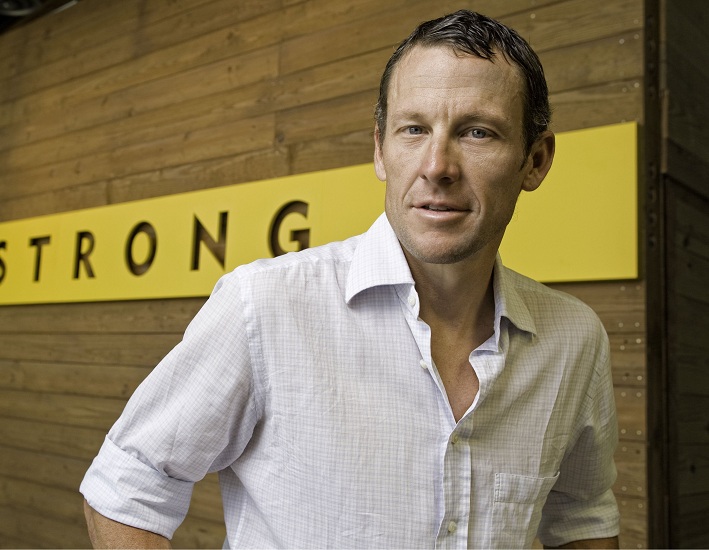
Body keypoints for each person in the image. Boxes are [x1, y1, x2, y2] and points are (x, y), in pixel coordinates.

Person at [81, 9, 620, 549]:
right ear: (380, 150)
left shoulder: (574, 339)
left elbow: (583, 518)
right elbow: (128, 484)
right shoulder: (265, 305)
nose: (437, 165)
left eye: (477, 132)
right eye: (413, 129)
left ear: (535, 160)